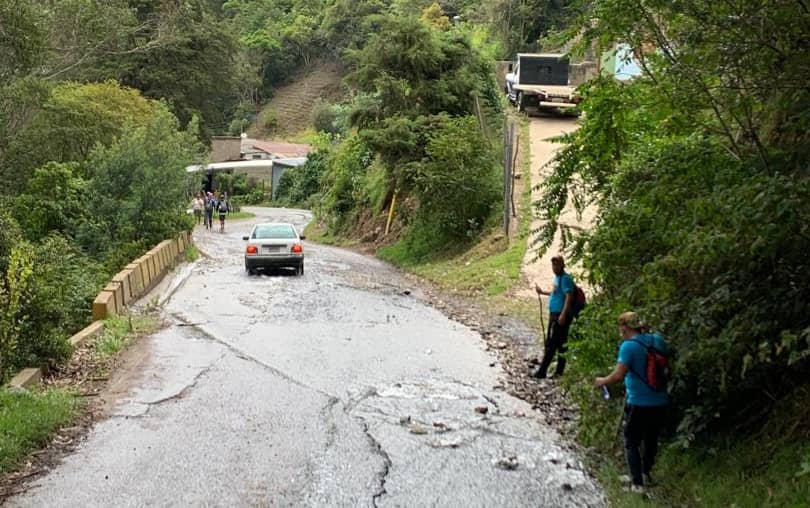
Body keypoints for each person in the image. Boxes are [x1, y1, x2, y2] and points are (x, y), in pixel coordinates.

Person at [595, 311, 670, 494]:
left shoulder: (628, 346)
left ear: (625, 327)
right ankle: (645, 474)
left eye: (621, 326)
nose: (620, 330)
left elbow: (619, 374)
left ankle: (637, 484)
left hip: (638, 401)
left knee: (632, 441)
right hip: (660, 400)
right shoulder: (657, 340)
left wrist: (603, 381)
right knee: (651, 439)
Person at [531, 255, 575, 379]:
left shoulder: (566, 279)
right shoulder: (557, 278)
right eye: (553, 265)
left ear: (562, 265)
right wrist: (542, 292)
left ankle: (542, 372)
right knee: (561, 344)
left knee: (552, 344)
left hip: (560, 316)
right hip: (554, 315)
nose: (554, 267)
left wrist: (563, 314)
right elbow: (556, 293)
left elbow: (569, 296)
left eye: (557, 265)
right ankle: (558, 372)